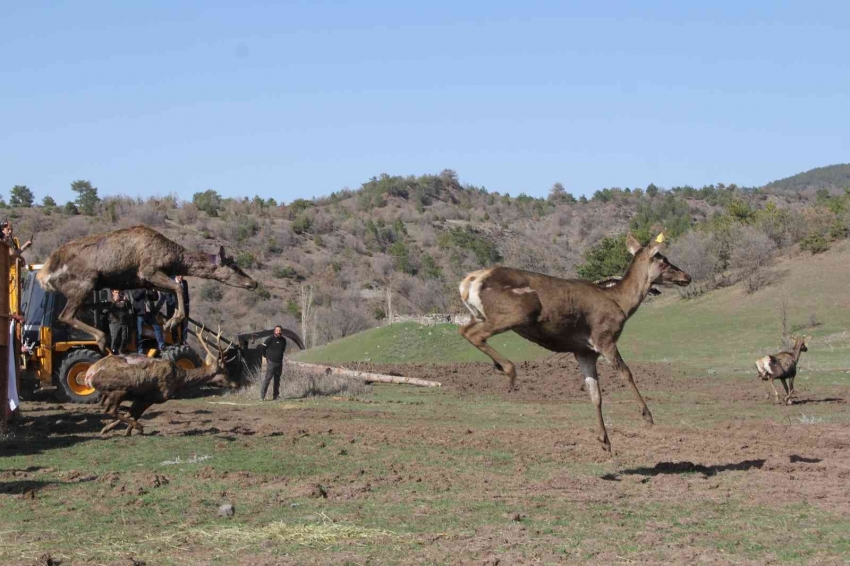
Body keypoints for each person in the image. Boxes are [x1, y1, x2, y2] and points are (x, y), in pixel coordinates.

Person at [130, 288, 166, 353]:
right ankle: (139, 349)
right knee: (139, 332)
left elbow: (155, 298)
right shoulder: (136, 288)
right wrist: (143, 289)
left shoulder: (148, 288)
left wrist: (154, 291)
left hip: (148, 313)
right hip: (140, 313)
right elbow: (135, 296)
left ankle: (161, 345)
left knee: (157, 328)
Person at [259, 325, 288, 401]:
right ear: (274, 331)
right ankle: (262, 396)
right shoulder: (270, 339)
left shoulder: (283, 340)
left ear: (281, 331)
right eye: (277, 330)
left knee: (277, 380)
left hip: (279, 363)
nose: (278, 332)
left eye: (280, 330)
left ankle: (276, 396)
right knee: (267, 379)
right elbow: (263, 348)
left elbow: (283, 349)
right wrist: (266, 357)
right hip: (271, 362)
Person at [165, 275, 190, 345]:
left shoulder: (185, 282)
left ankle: (183, 340)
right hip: (173, 307)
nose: (181, 277)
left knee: (185, 323)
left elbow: (186, 295)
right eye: (180, 276)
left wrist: (186, 305)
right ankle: (175, 339)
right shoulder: (170, 281)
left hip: (184, 306)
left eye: (183, 276)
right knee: (174, 323)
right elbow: (167, 295)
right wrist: (173, 304)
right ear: (176, 275)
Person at [104, 289, 132, 354]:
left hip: (123, 321)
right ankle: (112, 351)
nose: (118, 294)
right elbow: (108, 310)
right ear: (112, 293)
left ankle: (120, 350)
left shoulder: (123, 300)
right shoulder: (110, 301)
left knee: (124, 337)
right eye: (116, 292)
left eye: (119, 292)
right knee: (114, 337)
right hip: (114, 322)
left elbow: (128, 309)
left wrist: (127, 301)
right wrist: (115, 301)